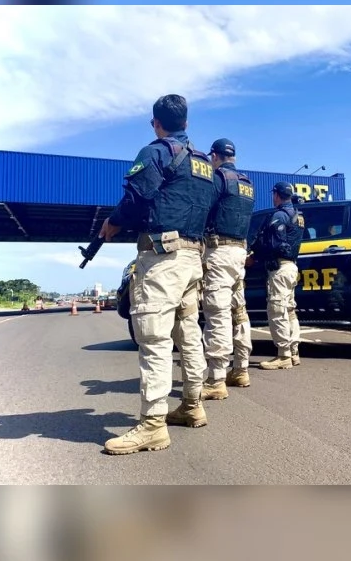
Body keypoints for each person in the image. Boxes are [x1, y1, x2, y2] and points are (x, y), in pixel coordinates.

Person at [96, 94, 217, 455]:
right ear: (187, 122)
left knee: (155, 340)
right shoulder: (203, 163)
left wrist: (112, 224)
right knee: (189, 333)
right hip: (193, 257)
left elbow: (136, 198)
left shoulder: (155, 152)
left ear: (155, 122)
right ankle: (192, 405)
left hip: (162, 259)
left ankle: (152, 425)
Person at [198, 138, 256, 399]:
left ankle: (216, 379)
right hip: (239, 252)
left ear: (215, 155)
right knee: (239, 310)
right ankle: (241, 368)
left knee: (217, 313)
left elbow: (202, 209)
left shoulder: (217, 178)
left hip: (219, 251)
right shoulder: (247, 183)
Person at [250, 182, 305, 370]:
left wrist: (256, 254)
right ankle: (294, 351)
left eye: (274, 194)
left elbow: (274, 244)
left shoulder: (279, 215)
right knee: (289, 310)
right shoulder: (298, 216)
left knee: (276, 310)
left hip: (280, 268)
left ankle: (283, 355)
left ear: (277, 195)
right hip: (291, 267)